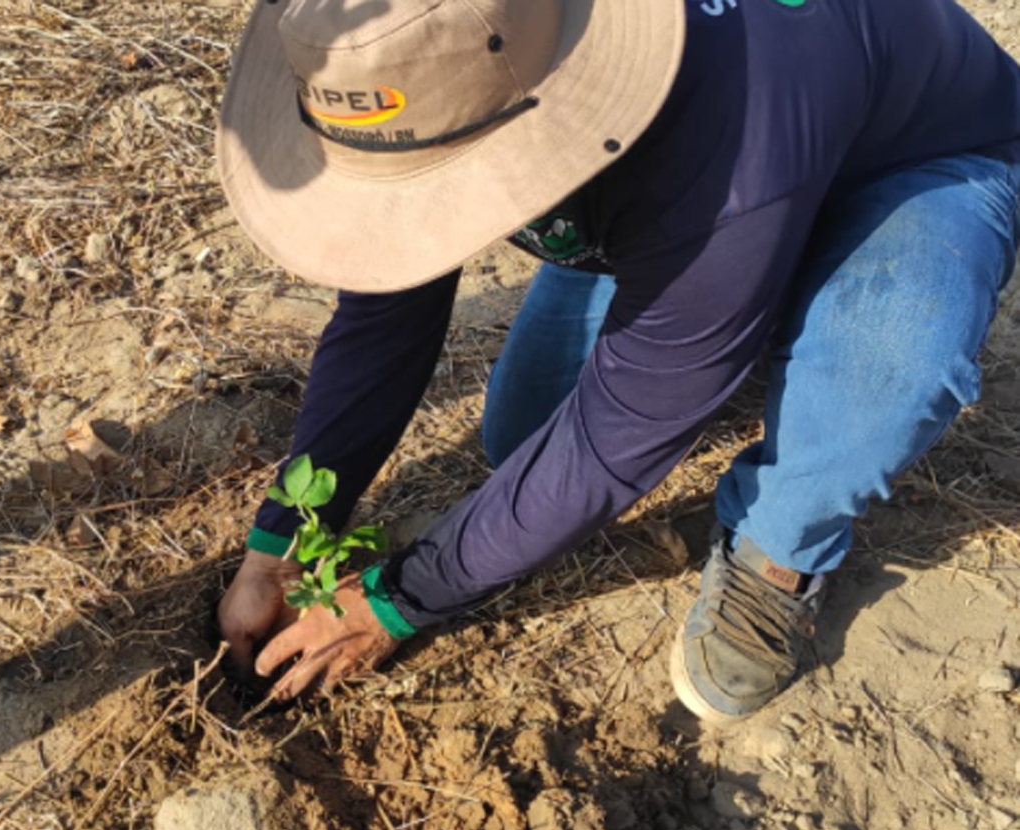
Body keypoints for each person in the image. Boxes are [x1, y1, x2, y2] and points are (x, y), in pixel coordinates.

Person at [213, 0, 1020, 724]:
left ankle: (779, 548)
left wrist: (398, 602)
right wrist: (281, 538)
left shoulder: (726, 141)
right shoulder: (449, 46)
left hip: (917, 168)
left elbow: (618, 433)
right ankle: (736, 298)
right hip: (706, 189)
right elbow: (383, 320)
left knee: (884, 362)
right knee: (520, 440)